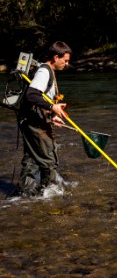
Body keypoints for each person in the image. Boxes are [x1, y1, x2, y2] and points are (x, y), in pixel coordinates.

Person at [16, 41, 72, 196]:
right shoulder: (44, 71)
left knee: (32, 158)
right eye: (65, 60)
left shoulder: (48, 72)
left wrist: (52, 115)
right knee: (49, 159)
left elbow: (42, 98)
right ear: (56, 57)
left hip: (33, 119)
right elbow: (32, 94)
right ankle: (48, 195)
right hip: (32, 122)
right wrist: (53, 107)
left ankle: (25, 193)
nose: (67, 64)